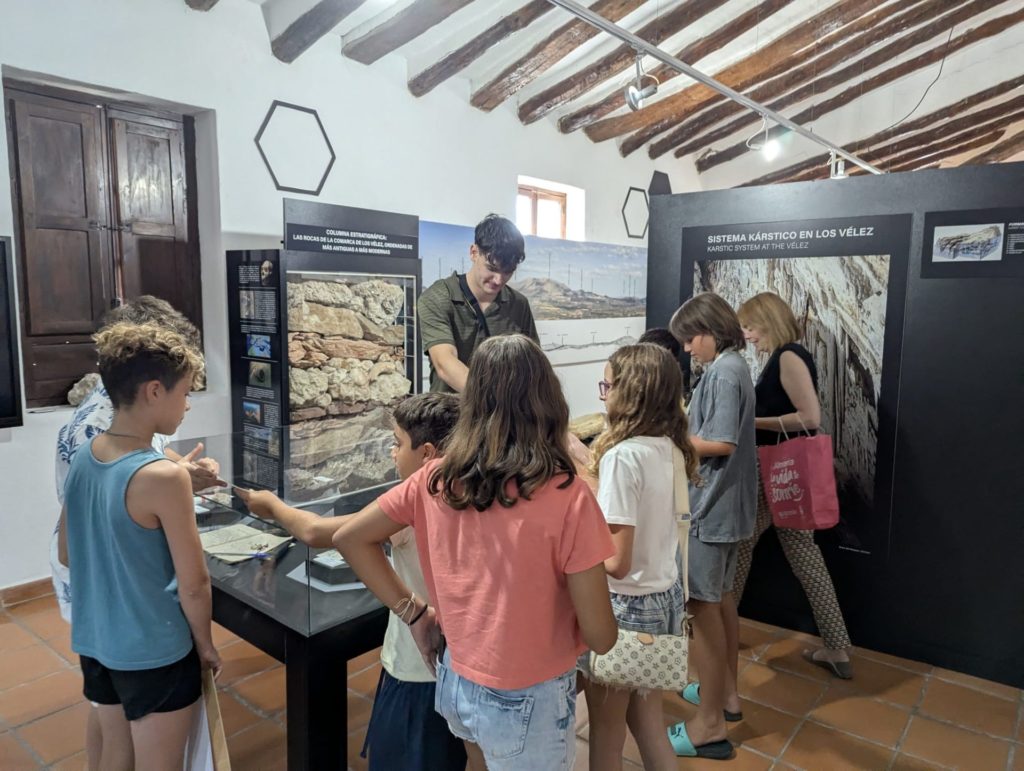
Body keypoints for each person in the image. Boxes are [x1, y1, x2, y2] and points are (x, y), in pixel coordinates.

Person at [334, 335, 618, 770]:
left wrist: (414, 614)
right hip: (531, 693)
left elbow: (350, 537)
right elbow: (601, 635)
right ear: (547, 400)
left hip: (456, 678)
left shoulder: (433, 478)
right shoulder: (568, 496)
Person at [235, 393, 468, 771]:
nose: (392, 453)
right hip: (464, 668)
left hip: (415, 669)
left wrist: (273, 507)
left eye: (397, 443)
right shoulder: (475, 491)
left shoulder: (413, 501)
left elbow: (316, 531)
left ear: (427, 453)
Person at [50, 297, 222, 769]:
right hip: (154, 650)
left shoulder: (87, 455)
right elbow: (194, 582)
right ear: (152, 391)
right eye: (185, 392)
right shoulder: (165, 478)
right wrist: (205, 644)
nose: (188, 404)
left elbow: (67, 551)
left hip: (96, 641)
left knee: (114, 757)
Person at [582, 344, 700, 770]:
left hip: (625, 610)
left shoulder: (621, 457)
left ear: (629, 393)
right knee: (648, 725)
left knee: (605, 735)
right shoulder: (669, 447)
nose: (602, 395)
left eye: (607, 385)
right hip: (663, 599)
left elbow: (617, 562)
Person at [734, 292, 853, 678]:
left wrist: (750, 422)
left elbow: (809, 416)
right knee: (799, 553)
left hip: (774, 470)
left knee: (740, 545)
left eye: (750, 326)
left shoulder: (787, 355)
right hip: (782, 474)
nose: (747, 334)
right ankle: (837, 646)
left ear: (768, 320)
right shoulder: (787, 354)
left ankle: (720, 626)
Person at [666, 293, 757, 760]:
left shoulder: (722, 371)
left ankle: (708, 723)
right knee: (721, 601)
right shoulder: (735, 366)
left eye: (689, 339)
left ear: (708, 330)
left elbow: (719, 441)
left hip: (709, 509)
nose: (686, 349)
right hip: (728, 508)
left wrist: (671, 440)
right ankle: (725, 695)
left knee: (702, 609)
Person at [417, 214, 539, 392]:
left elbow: (532, 364)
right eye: (492, 268)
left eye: (508, 272)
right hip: (451, 414)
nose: (498, 280)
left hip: (505, 416)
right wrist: (493, 402)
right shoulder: (438, 297)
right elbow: (444, 363)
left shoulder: (519, 304)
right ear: (474, 252)